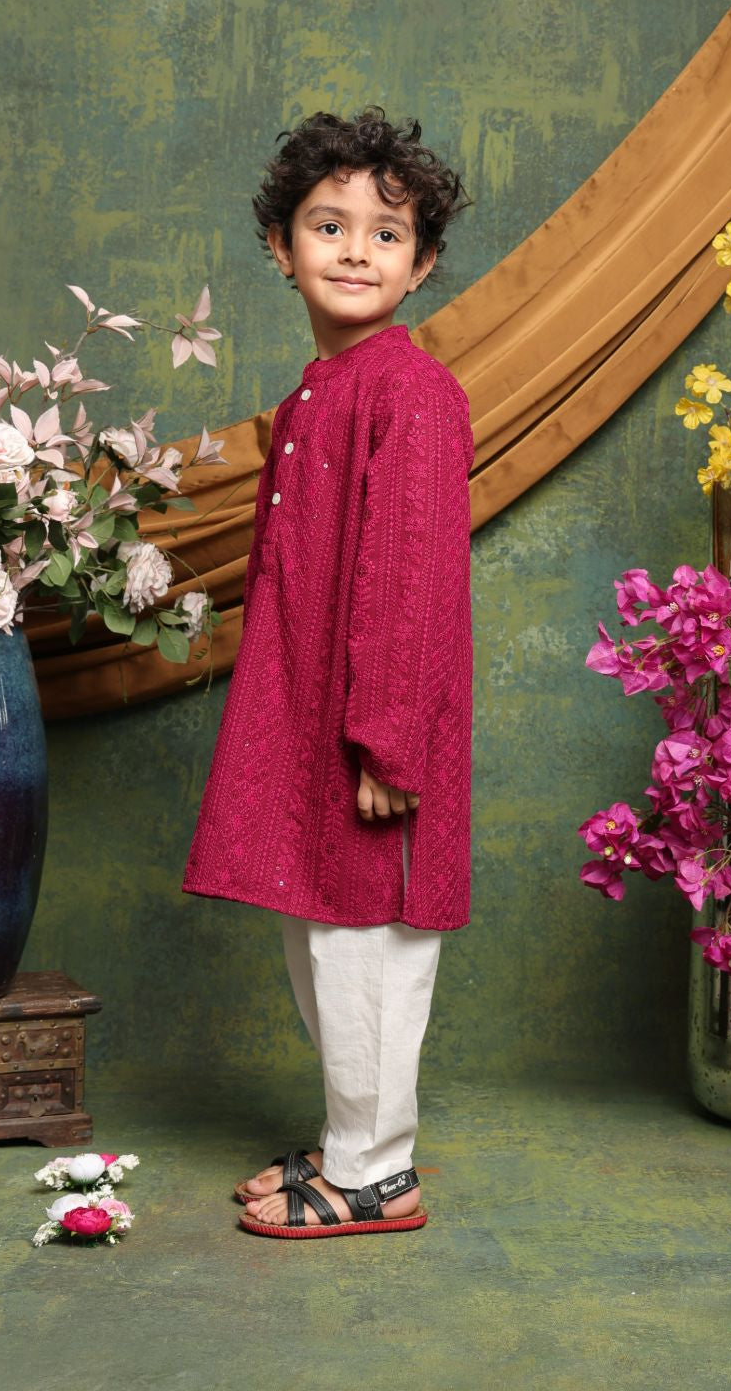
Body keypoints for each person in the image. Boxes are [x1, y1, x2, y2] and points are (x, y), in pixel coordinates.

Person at [181, 107, 474, 1239]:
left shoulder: (411, 392)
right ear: (279, 246)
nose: (357, 250)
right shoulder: (321, 392)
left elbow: (408, 584)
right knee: (320, 939)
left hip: (375, 738)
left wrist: (390, 743)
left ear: (424, 262)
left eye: (387, 234)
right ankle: (354, 1139)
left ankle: (375, 1173)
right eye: (329, 225)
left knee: (369, 950)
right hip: (318, 726)